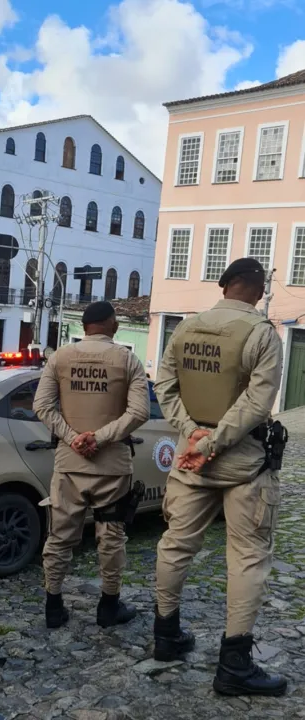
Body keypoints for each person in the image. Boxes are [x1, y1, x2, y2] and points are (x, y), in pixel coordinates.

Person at [153, 257, 287, 697]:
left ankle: (166, 635)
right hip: (242, 461)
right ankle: (234, 664)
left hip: (191, 458)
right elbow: (257, 400)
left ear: (224, 285)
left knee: (175, 545)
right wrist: (213, 442)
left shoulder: (186, 328)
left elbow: (165, 388)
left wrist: (190, 434)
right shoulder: (262, 333)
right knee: (248, 557)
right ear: (258, 288)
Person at [33, 300, 150, 630]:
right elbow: (139, 413)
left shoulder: (60, 358)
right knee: (111, 537)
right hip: (111, 466)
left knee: (59, 537)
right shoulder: (127, 360)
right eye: (116, 322)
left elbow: (42, 406)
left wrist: (73, 438)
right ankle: (108, 606)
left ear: (84, 326)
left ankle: (53, 605)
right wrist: (99, 438)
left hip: (69, 464)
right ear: (111, 323)